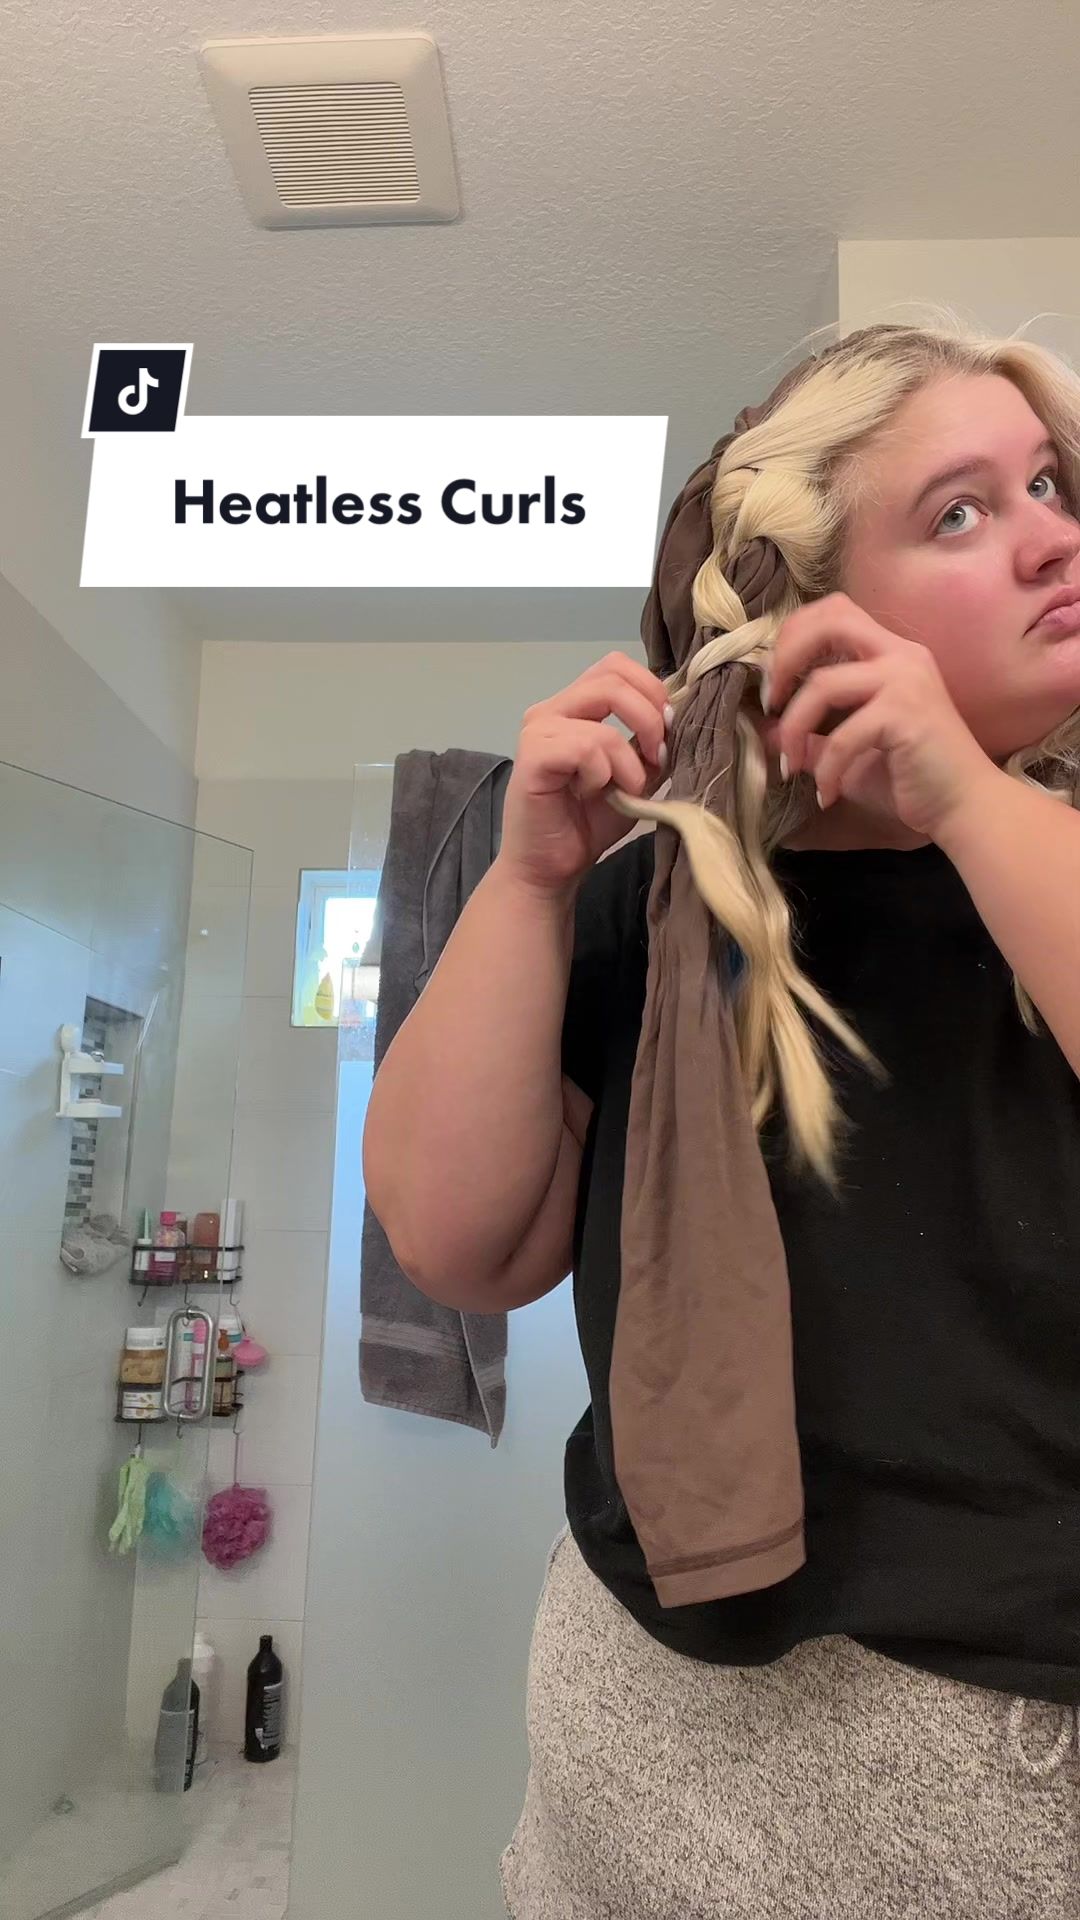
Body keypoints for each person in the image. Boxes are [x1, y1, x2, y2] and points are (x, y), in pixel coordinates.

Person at [361, 319, 1080, 1917]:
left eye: (1048, 485)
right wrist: (531, 880)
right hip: (638, 1740)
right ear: (799, 616)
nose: (1052, 536)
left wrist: (967, 800)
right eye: (962, 511)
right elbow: (456, 1241)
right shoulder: (645, 915)